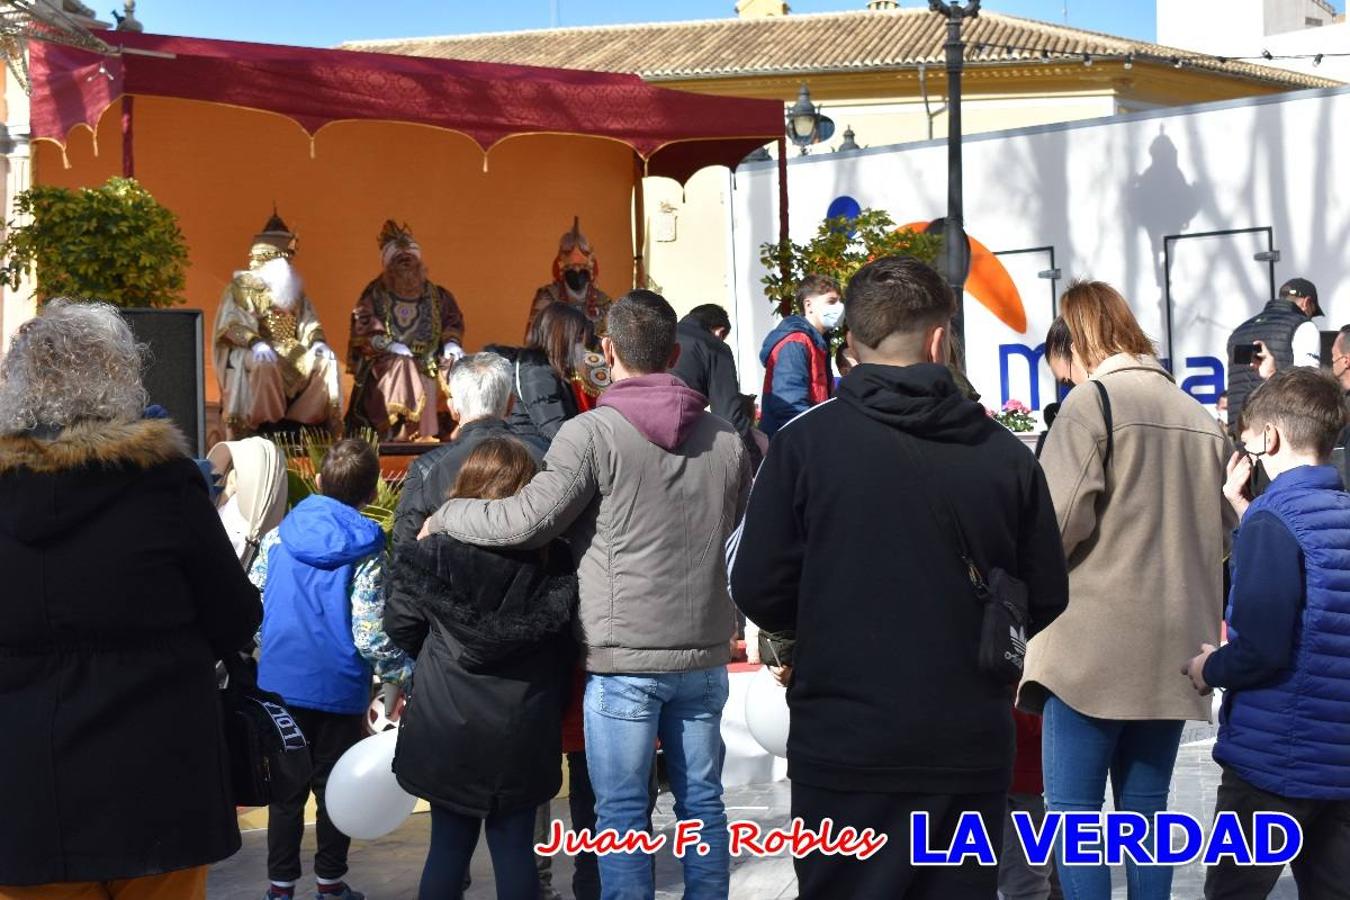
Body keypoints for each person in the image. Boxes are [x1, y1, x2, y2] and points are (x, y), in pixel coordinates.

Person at [730, 256, 1069, 899]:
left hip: (844, 741)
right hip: (965, 738)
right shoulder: (1004, 457)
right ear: (940, 340)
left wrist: (821, 631)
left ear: (849, 344)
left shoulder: (804, 448)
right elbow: (1045, 591)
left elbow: (756, 585)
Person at [424, 290, 752, 900]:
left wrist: (451, 514)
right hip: (703, 654)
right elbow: (735, 534)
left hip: (624, 658)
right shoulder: (727, 441)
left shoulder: (592, 433)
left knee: (623, 817)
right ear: (676, 354)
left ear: (607, 351)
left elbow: (526, 521)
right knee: (703, 807)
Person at [0, 300, 262, 899]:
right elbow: (237, 615)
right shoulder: (165, 484)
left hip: (24, 800)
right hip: (159, 784)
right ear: (120, 377)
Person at [1022, 280, 1235, 900]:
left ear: (1080, 336)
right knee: (1147, 812)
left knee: (1076, 815)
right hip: (1177, 649)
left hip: (1091, 651)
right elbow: (1221, 535)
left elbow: (1054, 529)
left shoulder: (1092, 404)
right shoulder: (1198, 416)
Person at [1178, 368, 1350, 897]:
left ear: (1269, 437)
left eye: (1246, 439)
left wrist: (1209, 667)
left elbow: (1262, 650)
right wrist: (1246, 511)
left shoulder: (1273, 521)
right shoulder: (1334, 513)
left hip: (1274, 761)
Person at [386, 437, 577, 900]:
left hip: (446, 719)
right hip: (523, 721)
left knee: (448, 848)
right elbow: (567, 649)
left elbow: (401, 625)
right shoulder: (555, 561)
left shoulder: (431, 552)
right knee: (515, 849)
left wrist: (441, 650)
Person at [249, 439, 412, 900]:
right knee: (333, 792)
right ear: (371, 492)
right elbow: (368, 633)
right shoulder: (365, 550)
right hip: (339, 690)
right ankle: (330, 883)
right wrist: (399, 674)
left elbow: (254, 601)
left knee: (285, 793)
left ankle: (279, 889)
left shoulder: (279, 537)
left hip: (279, 689)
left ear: (318, 480)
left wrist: (275, 650)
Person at [392, 353, 545, 554]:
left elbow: (405, 548)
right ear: (510, 403)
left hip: (450, 581)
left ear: (453, 409)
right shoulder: (543, 455)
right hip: (532, 580)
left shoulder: (426, 468)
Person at [214, 210, 341, 437]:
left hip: (294, 349)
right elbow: (231, 324)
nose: (289, 263)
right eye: (285, 257)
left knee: (327, 362)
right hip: (253, 349)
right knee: (266, 362)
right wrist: (255, 343)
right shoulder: (240, 288)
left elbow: (308, 321)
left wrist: (318, 342)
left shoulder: (294, 290)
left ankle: (302, 424)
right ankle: (267, 425)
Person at [346, 220, 466, 441]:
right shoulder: (374, 294)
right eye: (399, 261)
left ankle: (458, 431)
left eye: (409, 260)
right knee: (403, 365)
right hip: (388, 363)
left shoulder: (438, 295)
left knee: (456, 364)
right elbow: (363, 327)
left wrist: (451, 343)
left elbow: (452, 321)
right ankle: (402, 434)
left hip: (431, 358)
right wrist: (390, 345)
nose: (406, 265)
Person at [489, 301, 606, 447]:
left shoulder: (543, 368)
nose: (582, 348)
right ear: (563, 339)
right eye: (578, 340)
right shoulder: (538, 373)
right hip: (534, 458)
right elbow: (557, 430)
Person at [1226, 276, 1323, 428]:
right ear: (1307, 303)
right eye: (1313, 312)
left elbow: (1238, 388)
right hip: (1281, 431)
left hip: (1242, 432)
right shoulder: (1304, 326)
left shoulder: (1239, 332)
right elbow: (1309, 387)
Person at [670, 302, 759, 463]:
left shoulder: (662, 335)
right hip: (680, 441)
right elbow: (729, 414)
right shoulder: (714, 346)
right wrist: (755, 460)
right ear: (720, 331)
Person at [758, 274, 843, 437]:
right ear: (808, 305)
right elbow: (790, 404)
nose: (839, 307)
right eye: (831, 301)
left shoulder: (817, 342)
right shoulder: (796, 342)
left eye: (840, 301)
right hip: (795, 444)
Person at [527, 217, 613, 336]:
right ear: (562, 268)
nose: (577, 272)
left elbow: (611, 342)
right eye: (571, 268)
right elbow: (533, 338)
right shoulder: (547, 296)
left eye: (582, 268)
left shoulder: (603, 301)